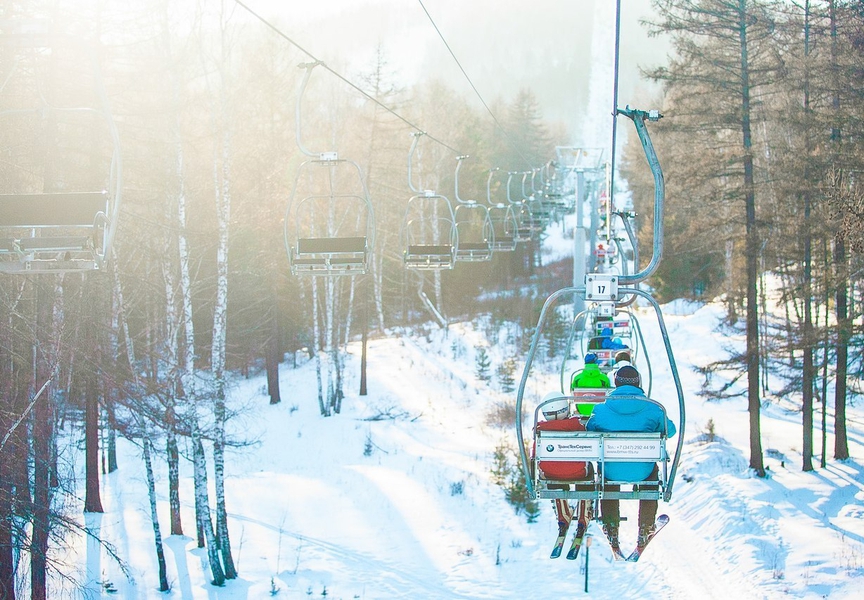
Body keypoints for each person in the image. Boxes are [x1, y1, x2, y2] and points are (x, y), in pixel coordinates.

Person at [585, 366, 677, 549]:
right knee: (651, 475)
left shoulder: (601, 409)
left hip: (611, 470)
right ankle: (646, 526)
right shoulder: (654, 408)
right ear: (639, 383)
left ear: (616, 383)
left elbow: (590, 429)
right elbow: (671, 430)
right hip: (643, 471)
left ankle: (611, 527)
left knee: (606, 478)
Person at [534, 393, 591, 535]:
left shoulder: (540, 430)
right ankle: (584, 513)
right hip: (578, 472)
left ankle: (563, 513)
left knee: (554, 470)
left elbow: (535, 453)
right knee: (589, 471)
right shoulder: (576, 425)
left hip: (550, 473)